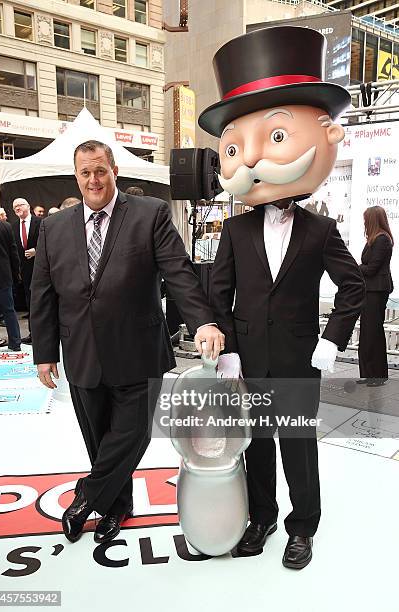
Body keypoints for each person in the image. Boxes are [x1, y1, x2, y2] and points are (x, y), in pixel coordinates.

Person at [199, 26, 365, 569]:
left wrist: (331, 340)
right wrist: (225, 347)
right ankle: (262, 518)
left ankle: (302, 527)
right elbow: (217, 289)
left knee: (298, 447)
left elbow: (355, 286)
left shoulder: (320, 229)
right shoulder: (235, 230)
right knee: (258, 447)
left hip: (298, 358)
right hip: (247, 358)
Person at [30, 139, 224, 545]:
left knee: (131, 435)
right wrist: (44, 353)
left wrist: (202, 321)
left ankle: (86, 495)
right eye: (85, 173)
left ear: (114, 170)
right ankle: (118, 507)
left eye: (100, 170)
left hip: (138, 351)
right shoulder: (54, 227)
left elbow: (179, 272)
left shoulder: (149, 214)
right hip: (82, 352)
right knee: (100, 441)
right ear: (77, 176)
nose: (94, 180)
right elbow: (43, 294)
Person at [357, 206, 394, 387]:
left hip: (377, 291)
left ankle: (377, 376)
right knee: (366, 333)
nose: (364, 222)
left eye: (366, 219)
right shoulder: (373, 239)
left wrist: (355, 266)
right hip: (369, 291)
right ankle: (368, 373)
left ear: (372, 220)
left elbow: (371, 269)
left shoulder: (382, 240)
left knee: (373, 333)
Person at [12, 198, 41, 344]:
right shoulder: (13, 226)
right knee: (29, 303)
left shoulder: (40, 223)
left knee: (41, 302)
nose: (17, 208)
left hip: (40, 269)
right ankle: (32, 333)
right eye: (14, 206)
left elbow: (48, 242)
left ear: (28, 206)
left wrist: (36, 251)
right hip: (24, 272)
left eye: (20, 205)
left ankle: (42, 334)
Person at [0, 215, 22, 351]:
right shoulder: (5, 226)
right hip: (3, 275)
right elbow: (13, 253)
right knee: (9, 310)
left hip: (2, 275)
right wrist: (16, 274)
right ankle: (15, 342)